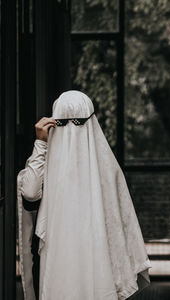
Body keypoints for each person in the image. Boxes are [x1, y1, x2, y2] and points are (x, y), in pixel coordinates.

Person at [17, 90, 152, 300]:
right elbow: (30, 193)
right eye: (63, 124)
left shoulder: (104, 169)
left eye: (76, 122)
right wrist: (41, 144)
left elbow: (30, 192)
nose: (71, 130)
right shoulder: (53, 161)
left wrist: (41, 144)